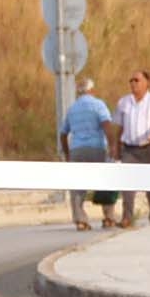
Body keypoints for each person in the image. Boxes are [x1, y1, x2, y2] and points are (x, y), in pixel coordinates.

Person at [111, 69, 150, 228]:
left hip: (149, 148)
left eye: (137, 80)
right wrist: (115, 147)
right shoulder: (124, 102)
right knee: (127, 184)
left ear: (147, 83)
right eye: (131, 80)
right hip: (130, 149)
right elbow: (119, 127)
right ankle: (127, 217)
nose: (133, 84)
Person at [59, 78, 116, 230]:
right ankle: (109, 217)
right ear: (92, 90)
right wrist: (113, 146)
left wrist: (67, 154)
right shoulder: (98, 105)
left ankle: (80, 220)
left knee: (77, 185)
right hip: (96, 148)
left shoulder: (72, 109)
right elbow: (107, 126)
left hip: (77, 150)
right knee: (105, 182)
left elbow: (63, 134)